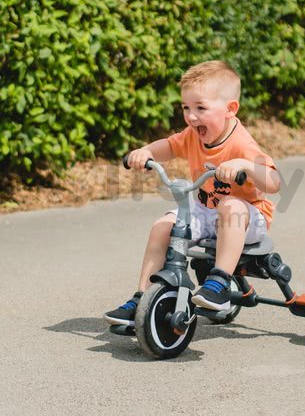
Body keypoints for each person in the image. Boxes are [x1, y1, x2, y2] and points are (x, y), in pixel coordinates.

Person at [105, 60, 281, 326]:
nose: (191, 116)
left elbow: (274, 182)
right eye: (186, 107)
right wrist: (147, 152)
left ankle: (220, 282)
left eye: (201, 108)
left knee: (231, 207)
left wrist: (244, 165)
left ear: (230, 109)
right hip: (205, 209)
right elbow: (169, 146)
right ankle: (143, 298)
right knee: (162, 226)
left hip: (247, 218)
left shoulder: (242, 143)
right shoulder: (193, 135)